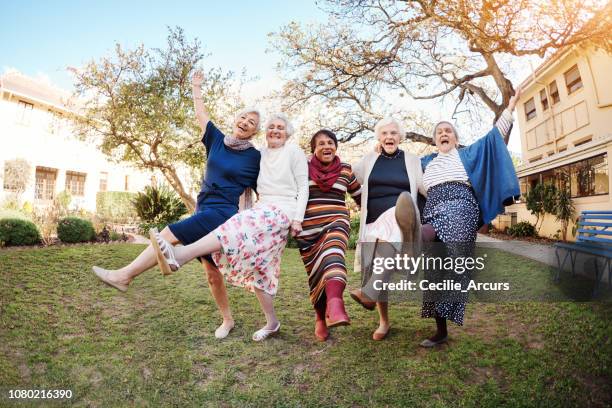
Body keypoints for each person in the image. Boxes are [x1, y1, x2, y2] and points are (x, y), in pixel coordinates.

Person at [92, 71, 261, 340]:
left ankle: (124, 276)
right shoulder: (216, 140)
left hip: (223, 213)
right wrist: (196, 86)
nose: (245, 122)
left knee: (168, 234)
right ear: (235, 120)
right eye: (242, 117)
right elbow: (200, 114)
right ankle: (227, 320)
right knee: (211, 274)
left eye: (251, 122)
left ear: (255, 131)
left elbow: (267, 184)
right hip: (203, 206)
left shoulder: (255, 157)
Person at [150, 113, 309, 342]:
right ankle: (272, 323)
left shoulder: (293, 152)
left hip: (282, 210)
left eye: (281, 128)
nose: (275, 130)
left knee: (237, 223)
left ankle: (181, 254)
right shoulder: (260, 154)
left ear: (288, 134)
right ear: (264, 132)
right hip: (261, 208)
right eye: (271, 127)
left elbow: (303, 186)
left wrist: (298, 219)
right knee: (262, 270)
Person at [418, 90, 521, 347]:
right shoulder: (424, 163)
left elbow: (494, 137)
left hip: (461, 205)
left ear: (455, 138)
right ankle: (440, 331)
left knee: (452, 257)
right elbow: (395, 163)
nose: (444, 133)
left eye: (448, 130)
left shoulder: (467, 154)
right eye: (439, 131)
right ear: (434, 140)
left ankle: (416, 236)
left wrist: (511, 107)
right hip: (432, 207)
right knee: (435, 272)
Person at [349, 117, 425, 341]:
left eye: (393, 133)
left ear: (400, 137)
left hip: (400, 217)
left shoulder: (412, 160)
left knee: (399, 207)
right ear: (379, 138)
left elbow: (423, 187)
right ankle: (383, 320)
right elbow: (348, 176)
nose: (389, 137)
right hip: (372, 221)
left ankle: (369, 294)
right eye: (385, 134)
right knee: (374, 269)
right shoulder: (369, 160)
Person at [296, 129, 362, 341]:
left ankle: (336, 304)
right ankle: (320, 318)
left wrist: (374, 218)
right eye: (321, 143)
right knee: (315, 276)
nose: (326, 146)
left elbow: (360, 196)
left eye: (330, 143)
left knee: (334, 255)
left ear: (336, 146)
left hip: (336, 221)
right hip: (307, 229)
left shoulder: (345, 170)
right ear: (313, 149)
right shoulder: (302, 168)